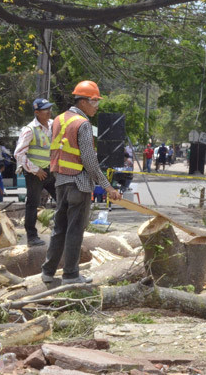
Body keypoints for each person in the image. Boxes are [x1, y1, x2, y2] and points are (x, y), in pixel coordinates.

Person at [41, 80, 122, 285]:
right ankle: (70, 275)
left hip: (61, 181)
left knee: (59, 227)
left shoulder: (59, 119)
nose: (97, 106)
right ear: (84, 101)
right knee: (75, 230)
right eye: (95, 101)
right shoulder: (83, 124)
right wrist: (107, 187)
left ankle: (48, 272)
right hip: (79, 183)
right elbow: (89, 161)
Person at [14, 98, 58, 247]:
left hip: (50, 171)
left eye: (49, 108)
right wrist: (35, 170)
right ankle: (32, 237)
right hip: (35, 173)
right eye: (45, 109)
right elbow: (19, 154)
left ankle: (60, 230)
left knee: (63, 198)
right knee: (32, 204)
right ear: (37, 112)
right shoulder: (29, 129)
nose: (49, 111)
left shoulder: (52, 125)